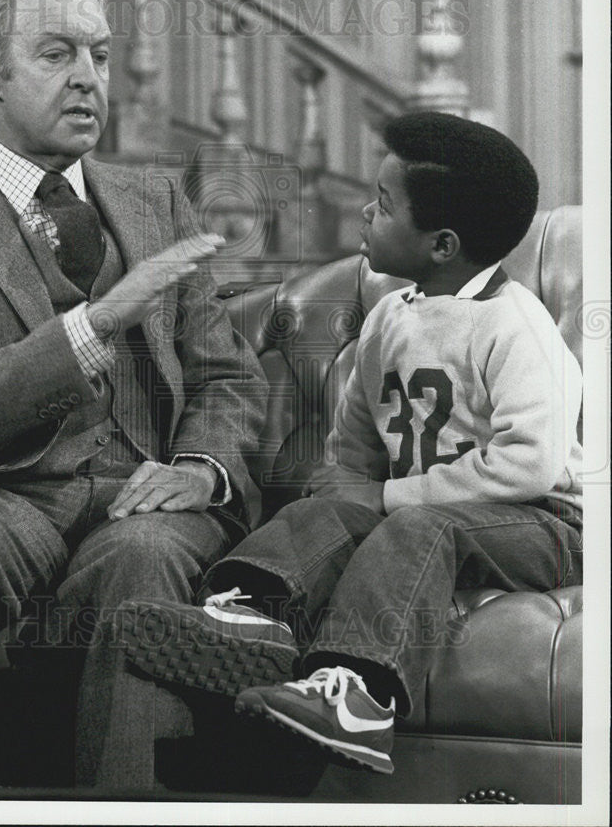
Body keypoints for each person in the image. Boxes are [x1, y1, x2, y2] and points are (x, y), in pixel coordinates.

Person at [0, 0, 268, 791]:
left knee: (146, 554)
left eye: (101, 54)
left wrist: (200, 468)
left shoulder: (158, 202)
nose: (89, 79)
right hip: (1, 492)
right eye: (57, 54)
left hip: (144, 493)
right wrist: (96, 321)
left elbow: (227, 378)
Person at [116, 111, 583, 776]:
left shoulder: (515, 327)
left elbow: (529, 464)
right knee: (331, 504)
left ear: (442, 245)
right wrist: (343, 495)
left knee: (417, 525)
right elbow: (354, 449)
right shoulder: (391, 318)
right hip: (434, 510)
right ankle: (255, 617)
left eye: (385, 206)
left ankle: (359, 700)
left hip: (544, 522)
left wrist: (388, 495)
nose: (365, 211)